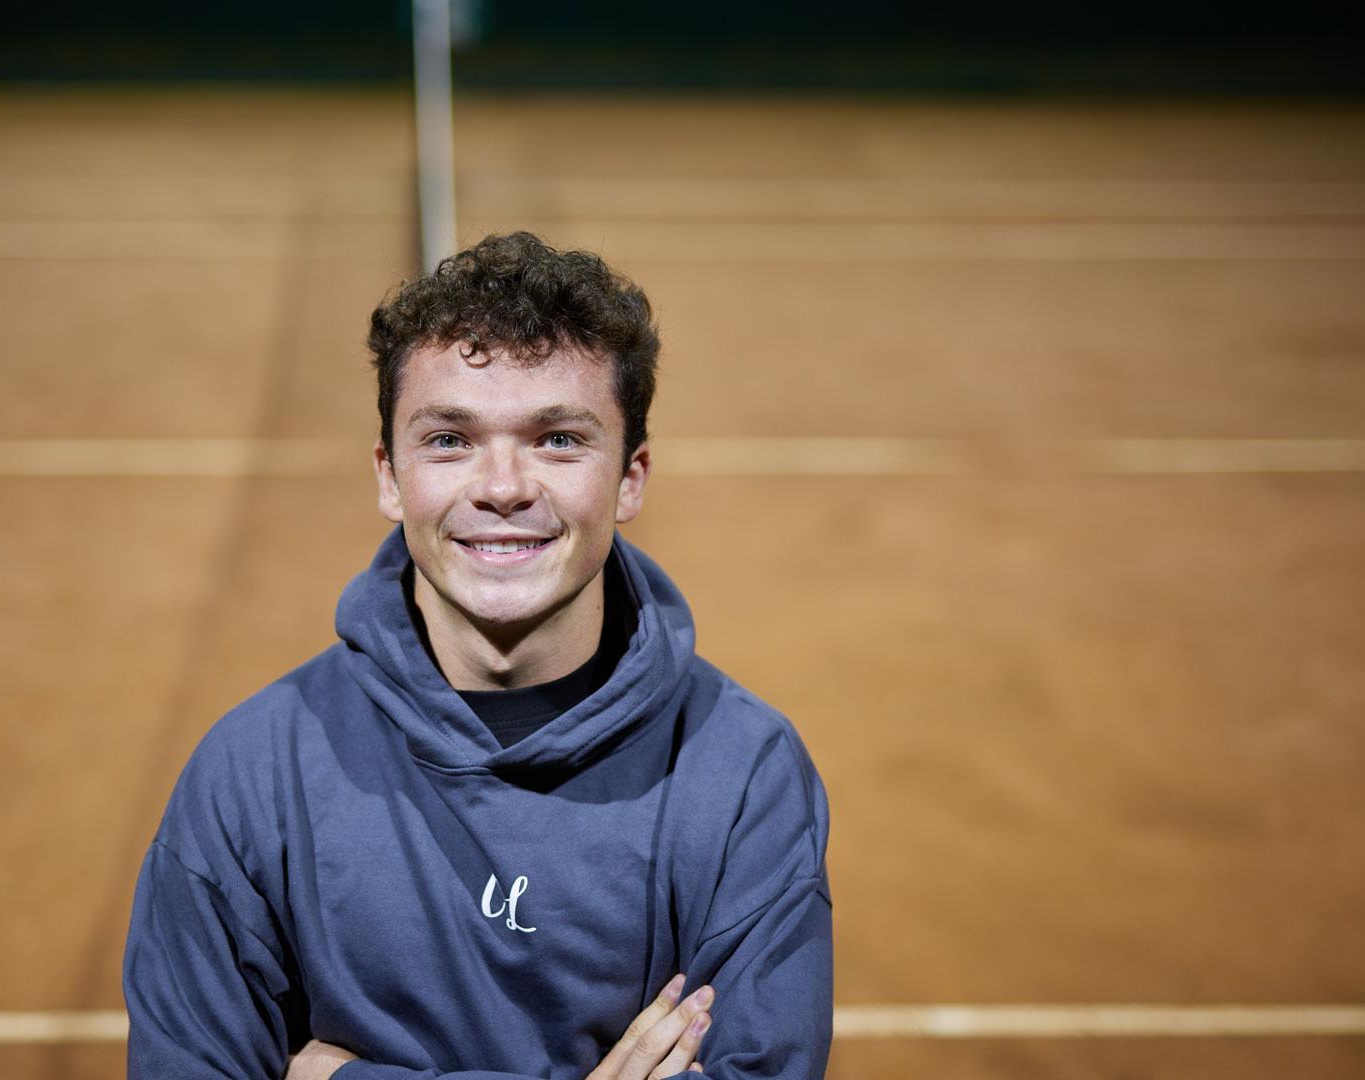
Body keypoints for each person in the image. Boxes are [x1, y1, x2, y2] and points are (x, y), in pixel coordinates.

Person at [124, 232, 833, 1079]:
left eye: (559, 440)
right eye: (450, 440)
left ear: (631, 477)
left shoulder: (743, 772)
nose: (502, 488)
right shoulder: (252, 773)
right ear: (389, 476)